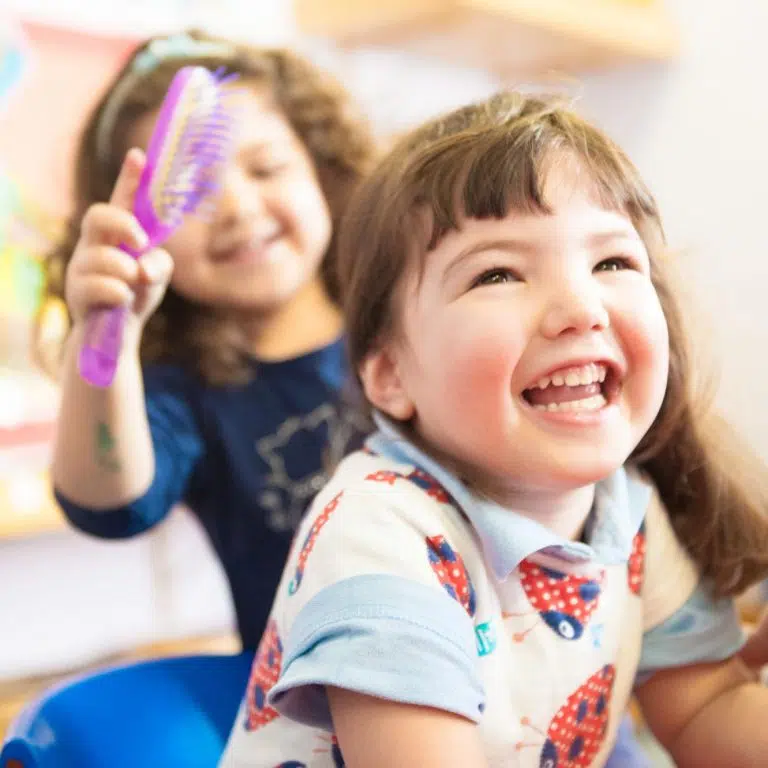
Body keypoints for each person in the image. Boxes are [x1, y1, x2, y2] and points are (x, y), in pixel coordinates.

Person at [219, 91, 768, 767]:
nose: (579, 307)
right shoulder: (378, 531)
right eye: (499, 273)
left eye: (612, 264)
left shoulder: (628, 511)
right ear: (390, 373)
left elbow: (708, 705)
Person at [38, 29, 376, 651]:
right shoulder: (188, 395)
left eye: (267, 167)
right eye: (191, 192)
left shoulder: (411, 322)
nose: (238, 207)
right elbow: (107, 504)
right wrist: (105, 330)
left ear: (322, 168)